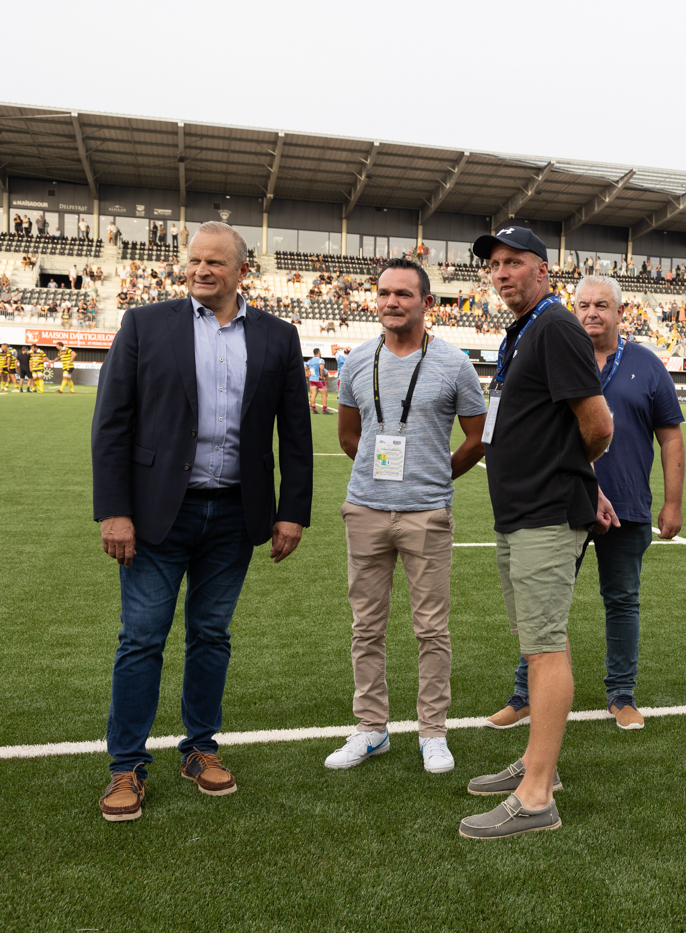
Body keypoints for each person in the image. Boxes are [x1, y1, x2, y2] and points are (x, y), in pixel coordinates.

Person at [91, 221, 313, 822]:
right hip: (157, 514)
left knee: (211, 636)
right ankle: (127, 765)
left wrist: (292, 512)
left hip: (235, 515)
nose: (201, 270)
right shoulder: (145, 324)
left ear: (244, 271)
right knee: (141, 639)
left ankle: (200, 748)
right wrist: (114, 510)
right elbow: (111, 423)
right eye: (194, 260)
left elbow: (294, 434)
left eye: (215, 262)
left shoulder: (277, 336)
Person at [458, 226, 613, 840]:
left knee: (544, 645)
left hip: (546, 511)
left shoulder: (556, 326)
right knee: (540, 640)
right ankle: (536, 763)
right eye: (495, 264)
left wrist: (569, 474)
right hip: (522, 511)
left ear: (544, 272)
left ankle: (537, 795)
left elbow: (597, 425)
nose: (501, 273)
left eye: (514, 262)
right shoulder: (523, 330)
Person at [484, 274, 685, 733]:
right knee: (546, 605)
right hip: (561, 503)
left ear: (620, 312)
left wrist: (673, 503)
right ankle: (525, 695)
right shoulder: (556, 350)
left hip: (628, 506)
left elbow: (671, 437)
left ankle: (622, 694)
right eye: (583, 305)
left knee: (622, 601)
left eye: (601, 305)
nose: (591, 312)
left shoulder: (647, 365)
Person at [325, 258, 487, 775]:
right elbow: (350, 438)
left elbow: (476, 438)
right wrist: (381, 479)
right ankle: (371, 730)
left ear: (426, 303)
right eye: (384, 294)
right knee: (365, 627)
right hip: (365, 509)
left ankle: (432, 733)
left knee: (431, 630)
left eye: (403, 294)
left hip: (427, 514)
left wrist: (435, 477)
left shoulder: (454, 363)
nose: (391, 302)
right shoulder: (356, 361)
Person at [305, 348, 331, 414]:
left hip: (312, 379)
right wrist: (322, 376)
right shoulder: (320, 360)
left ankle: (314, 409)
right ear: (319, 352)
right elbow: (322, 368)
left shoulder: (310, 361)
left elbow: (305, 368)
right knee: (324, 394)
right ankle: (324, 410)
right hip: (319, 379)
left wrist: (308, 375)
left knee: (313, 394)